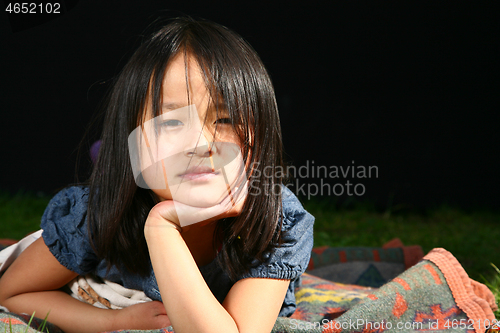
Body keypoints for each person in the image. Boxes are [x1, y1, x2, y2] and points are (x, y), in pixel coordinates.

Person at [0, 17, 314, 333]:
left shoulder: (277, 220)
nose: (201, 144)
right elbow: (12, 292)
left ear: (262, 136)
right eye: (171, 123)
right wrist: (111, 321)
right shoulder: (98, 213)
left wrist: (162, 226)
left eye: (226, 119)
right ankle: (113, 160)